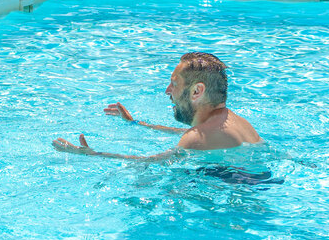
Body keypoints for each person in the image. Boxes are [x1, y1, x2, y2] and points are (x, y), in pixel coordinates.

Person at [53, 51, 262, 161]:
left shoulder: (196, 138)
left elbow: (149, 163)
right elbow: (186, 132)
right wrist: (137, 124)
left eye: (174, 84)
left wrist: (92, 155)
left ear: (197, 91)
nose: (167, 91)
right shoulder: (235, 122)